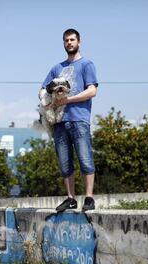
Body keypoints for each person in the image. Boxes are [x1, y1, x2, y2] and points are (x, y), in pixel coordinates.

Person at [41, 28, 98, 212]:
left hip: (79, 119)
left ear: (79, 42)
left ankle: (89, 198)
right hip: (59, 122)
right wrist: (46, 102)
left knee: (85, 158)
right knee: (65, 162)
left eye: (72, 39)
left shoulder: (87, 64)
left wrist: (68, 100)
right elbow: (42, 89)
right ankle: (70, 198)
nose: (69, 43)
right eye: (66, 40)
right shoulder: (56, 68)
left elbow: (92, 91)